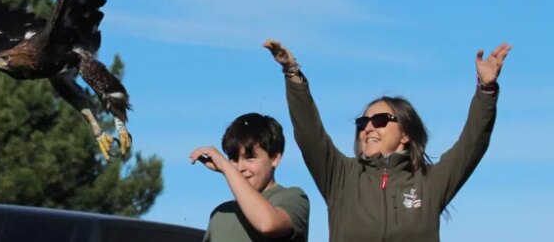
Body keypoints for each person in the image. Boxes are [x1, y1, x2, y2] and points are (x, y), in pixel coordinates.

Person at [263, 39, 511, 242]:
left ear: (405, 133)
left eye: (381, 120)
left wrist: (486, 90)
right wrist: (292, 73)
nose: (368, 127)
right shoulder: (341, 177)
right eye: (363, 122)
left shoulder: (429, 182)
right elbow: (310, 134)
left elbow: (472, 144)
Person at [190, 112, 309, 241]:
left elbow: (267, 224)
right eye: (233, 159)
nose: (240, 168)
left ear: (275, 158)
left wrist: (226, 167)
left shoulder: (293, 198)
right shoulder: (221, 214)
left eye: (250, 158)